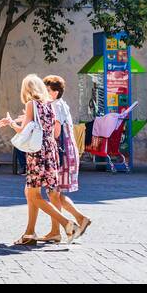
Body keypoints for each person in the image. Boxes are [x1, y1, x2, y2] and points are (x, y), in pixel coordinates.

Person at [0, 74, 75, 246]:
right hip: (50, 151)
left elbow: (23, 131)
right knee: (31, 192)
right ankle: (30, 233)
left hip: (37, 153)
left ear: (28, 89)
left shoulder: (31, 104)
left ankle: (66, 223)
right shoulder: (49, 105)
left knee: (34, 195)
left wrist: (11, 123)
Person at [44, 75, 90, 240]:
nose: (45, 92)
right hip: (68, 151)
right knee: (55, 193)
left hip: (60, 153)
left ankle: (55, 231)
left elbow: (56, 132)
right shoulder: (61, 105)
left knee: (53, 192)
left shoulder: (55, 106)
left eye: (47, 90)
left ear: (55, 93)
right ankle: (80, 219)